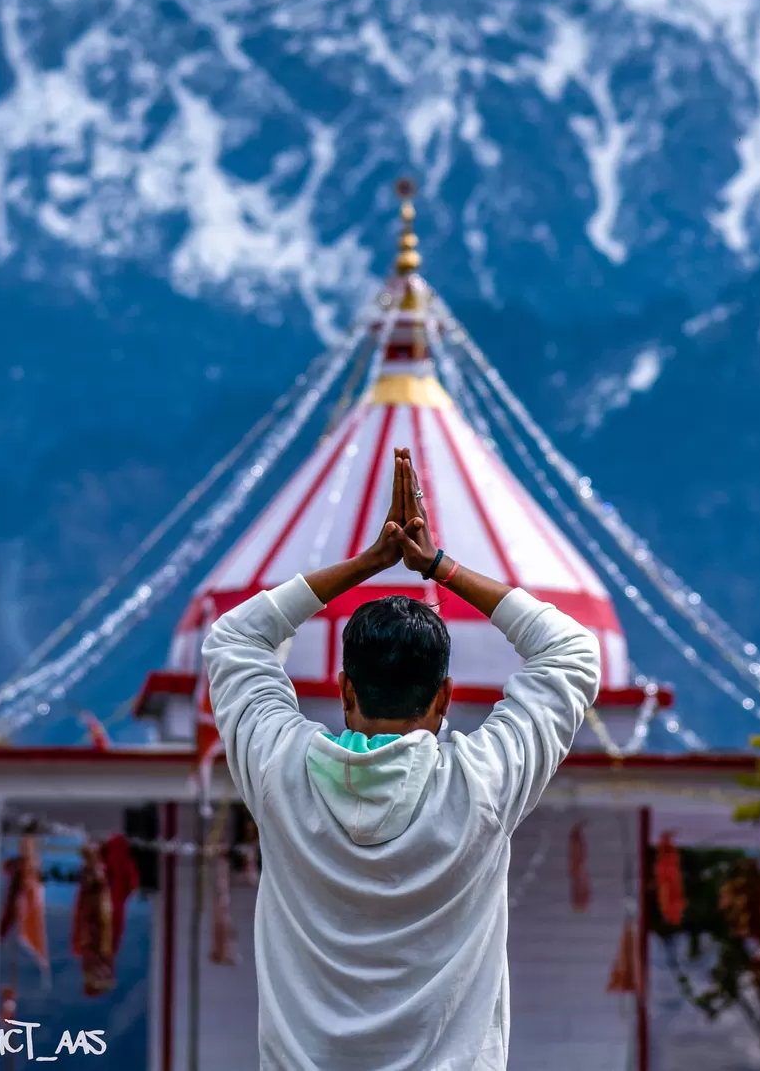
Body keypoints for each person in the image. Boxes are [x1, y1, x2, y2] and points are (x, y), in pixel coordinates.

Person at [202, 447, 601, 1071]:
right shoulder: (482, 784)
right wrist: (439, 567)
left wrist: (369, 563)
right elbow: (572, 650)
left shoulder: (279, 768)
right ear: (444, 697)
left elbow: (234, 638)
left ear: (344, 689)